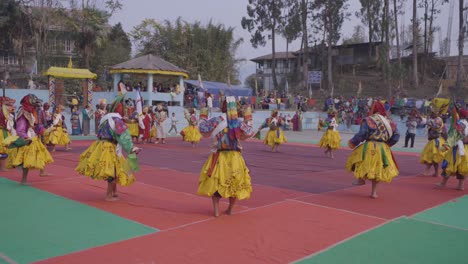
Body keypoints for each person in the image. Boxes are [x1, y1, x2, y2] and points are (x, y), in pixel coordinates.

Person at [75, 90, 141, 201]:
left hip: (100, 145)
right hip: (110, 147)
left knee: (113, 169)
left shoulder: (104, 119)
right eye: (123, 107)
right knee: (113, 170)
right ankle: (109, 195)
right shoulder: (117, 120)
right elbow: (123, 136)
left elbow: (99, 133)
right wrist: (132, 148)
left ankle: (114, 192)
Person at [197, 97, 255, 217]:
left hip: (219, 156)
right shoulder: (238, 123)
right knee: (234, 182)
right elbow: (249, 132)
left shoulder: (216, 120)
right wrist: (248, 117)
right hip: (235, 157)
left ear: (223, 107)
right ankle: (230, 209)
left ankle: (217, 210)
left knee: (216, 182)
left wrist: (203, 113)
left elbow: (202, 128)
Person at [346, 101, 400, 199]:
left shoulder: (368, 120)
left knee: (359, 161)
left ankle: (361, 179)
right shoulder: (390, 122)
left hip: (370, 145)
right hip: (383, 148)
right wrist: (387, 144)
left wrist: (353, 142)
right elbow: (396, 136)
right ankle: (374, 192)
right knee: (377, 169)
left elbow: (361, 134)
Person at [5, 94, 54, 184]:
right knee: (25, 160)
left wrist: (44, 130)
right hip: (27, 139)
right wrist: (25, 138)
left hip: (33, 137)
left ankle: (40, 173)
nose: (36, 106)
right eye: (34, 104)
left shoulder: (32, 112)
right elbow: (20, 128)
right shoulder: (23, 113)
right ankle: (23, 179)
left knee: (40, 155)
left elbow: (36, 126)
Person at [438, 108, 468, 190]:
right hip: (465, 148)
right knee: (462, 166)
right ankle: (460, 185)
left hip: (458, 147)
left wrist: (445, 146)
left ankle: (443, 183)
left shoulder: (461, 123)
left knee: (449, 164)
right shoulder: (465, 123)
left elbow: (455, 135)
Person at [420, 107, 447, 177]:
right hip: (432, 141)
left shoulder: (437, 120)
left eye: (432, 113)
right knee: (431, 157)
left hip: (436, 141)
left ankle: (430, 171)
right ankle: (435, 172)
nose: (430, 114)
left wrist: (425, 120)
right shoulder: (434, 119)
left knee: (433, 156)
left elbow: (435, 126)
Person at [0, 97, 16, 170]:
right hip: (2, 132)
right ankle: (2, 166)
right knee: (2, 149)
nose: (11, 107)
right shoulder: (2, 113)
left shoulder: (9, 115)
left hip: (6, 132)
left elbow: (11, 126)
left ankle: (7, 164)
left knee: (8, 149)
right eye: (8, 105)